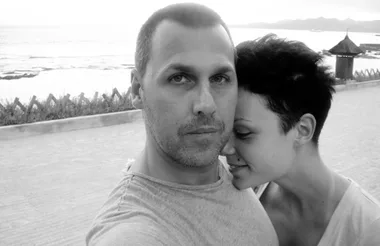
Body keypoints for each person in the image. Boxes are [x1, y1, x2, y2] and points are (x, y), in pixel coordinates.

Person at [85, 4, 278, 245]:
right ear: (137, 89)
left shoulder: (233, 175)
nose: (206, 105)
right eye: (179, 78)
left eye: (220, 78)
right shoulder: (131, 231)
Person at [222, 34, 380, 245]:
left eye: (242, 133)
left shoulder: (368, 230)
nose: (224, 148)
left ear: (302, 130)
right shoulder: (244, 194)